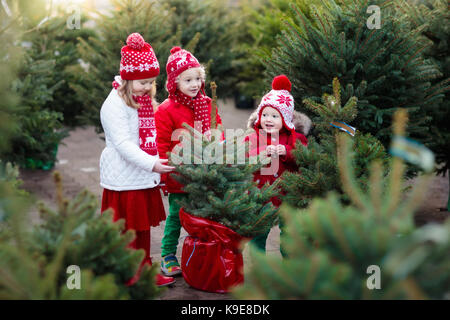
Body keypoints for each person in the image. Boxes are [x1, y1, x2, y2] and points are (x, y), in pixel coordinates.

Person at [99, 33, 175, 287]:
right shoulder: (114, 105)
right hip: (124, 177)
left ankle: (144, 269)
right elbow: (122, 144)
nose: (147, 87)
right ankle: (128, 273)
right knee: (128, 230)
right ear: (127, 79)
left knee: (142, 230)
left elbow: (150, 134)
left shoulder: (141, 100)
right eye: (143, 82)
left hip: (141, 175)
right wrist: (152, 164)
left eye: (151, 82)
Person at [155, 46, 223, 276]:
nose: (194, 84)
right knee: (176, 215)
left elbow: (219, 129)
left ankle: (199, 255)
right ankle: (167, 255)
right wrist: (165, 172)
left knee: (203, 215)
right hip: (180, 174)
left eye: (197, 78)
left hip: (207, 172)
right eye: (188, 80)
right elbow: (162, 144)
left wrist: (214, 138)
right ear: (175, 83)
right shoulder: (166, 110)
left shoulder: (207, 104)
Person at [245, 74, 310, 255]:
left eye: (275, 115)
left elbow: (303, 157)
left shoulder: (296, 138)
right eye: (264, 114)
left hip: (286, 196)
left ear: (286, 119)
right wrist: (261, 154)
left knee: (288, 234)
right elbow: (246, 158)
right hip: (260, 195)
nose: (268, 119)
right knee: (258, 233)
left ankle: (288, 265)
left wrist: (286, 152)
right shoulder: (254, 137)